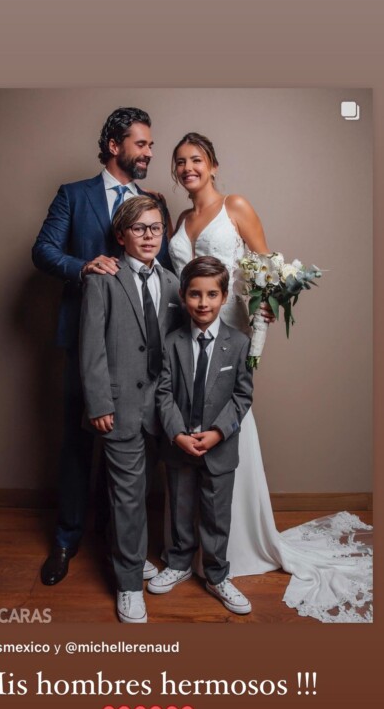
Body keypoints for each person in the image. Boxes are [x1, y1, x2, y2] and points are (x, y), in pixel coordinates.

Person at [166, 132, 373, 623]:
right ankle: (185, 552)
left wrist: (263, 315)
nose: (188, 168)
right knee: (186, 440)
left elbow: (267, 270)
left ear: (213, 164)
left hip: (230, 338)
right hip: (185, 339)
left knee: (228, 433)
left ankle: (233, 550)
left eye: (197, 159)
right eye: (180, 162)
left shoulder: (235, 206)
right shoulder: (179, 221)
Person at [32, 107, 171, 587]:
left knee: (135, 443)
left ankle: (116, 541)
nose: (149, 152)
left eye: (150, 145)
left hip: (140, 349)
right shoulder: (74, 195)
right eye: (141, 144)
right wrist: (84, 266)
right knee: (78, 443)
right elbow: (43, 251)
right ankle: (66, 540)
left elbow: (166, 271)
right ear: (115, 146)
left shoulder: (151, 203)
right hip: (86, 341)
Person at [80, 196, 183, 622]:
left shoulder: (173, 283)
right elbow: (92, 346)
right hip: (118, 406)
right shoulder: (103, 279)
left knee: (141, 492)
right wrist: (99, 402)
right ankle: (127, 584)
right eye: (139, 228)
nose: (149, 236)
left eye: (156, 228)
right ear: (121, 235)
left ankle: (132, 554)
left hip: (160, 409)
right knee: (126, 497)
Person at [150, 257, 253, 614]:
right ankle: (178, 563)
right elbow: (163, 393)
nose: (203, 303)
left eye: (212, 294)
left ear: (224, 297)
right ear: (183, 296)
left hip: (219, 447)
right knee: (179, 508)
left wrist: (217, 433)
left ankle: (216, 574)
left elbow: (242, 396)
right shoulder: (171, 342)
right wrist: (177, 434)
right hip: (179, 444)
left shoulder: (239, 343)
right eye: (195, 294)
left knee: (216, 515)